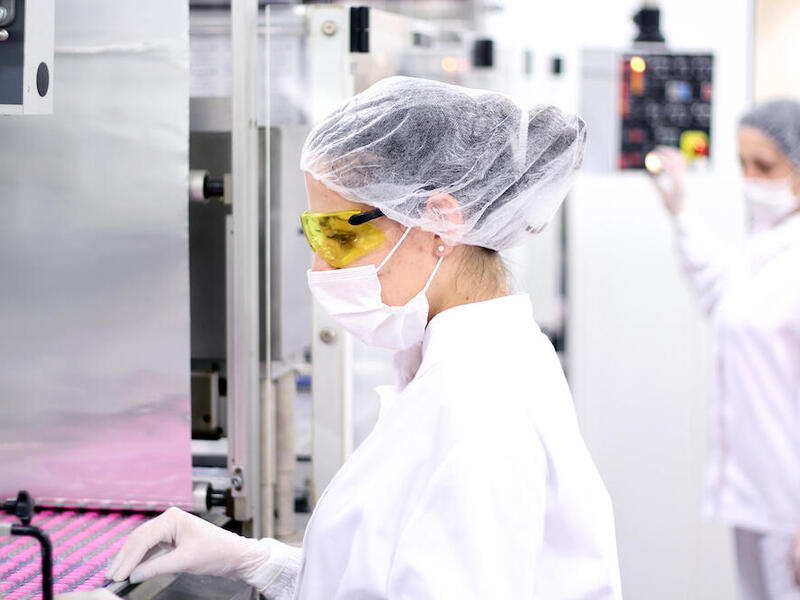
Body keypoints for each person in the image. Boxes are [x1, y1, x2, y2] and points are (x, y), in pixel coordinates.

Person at [105, 76, 622, 598]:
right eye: (313, 234)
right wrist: (258, 562)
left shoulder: (479, 406)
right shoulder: (463, 366)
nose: (319, 265)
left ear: (439, 221)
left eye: (338, 235)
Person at [649, 99, 800, 600]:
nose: (751, 178)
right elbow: (722, 291)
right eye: (743, 164)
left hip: (790, 504)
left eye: (766, 166)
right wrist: (681, 209)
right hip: (757, 495)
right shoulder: (767, 245)